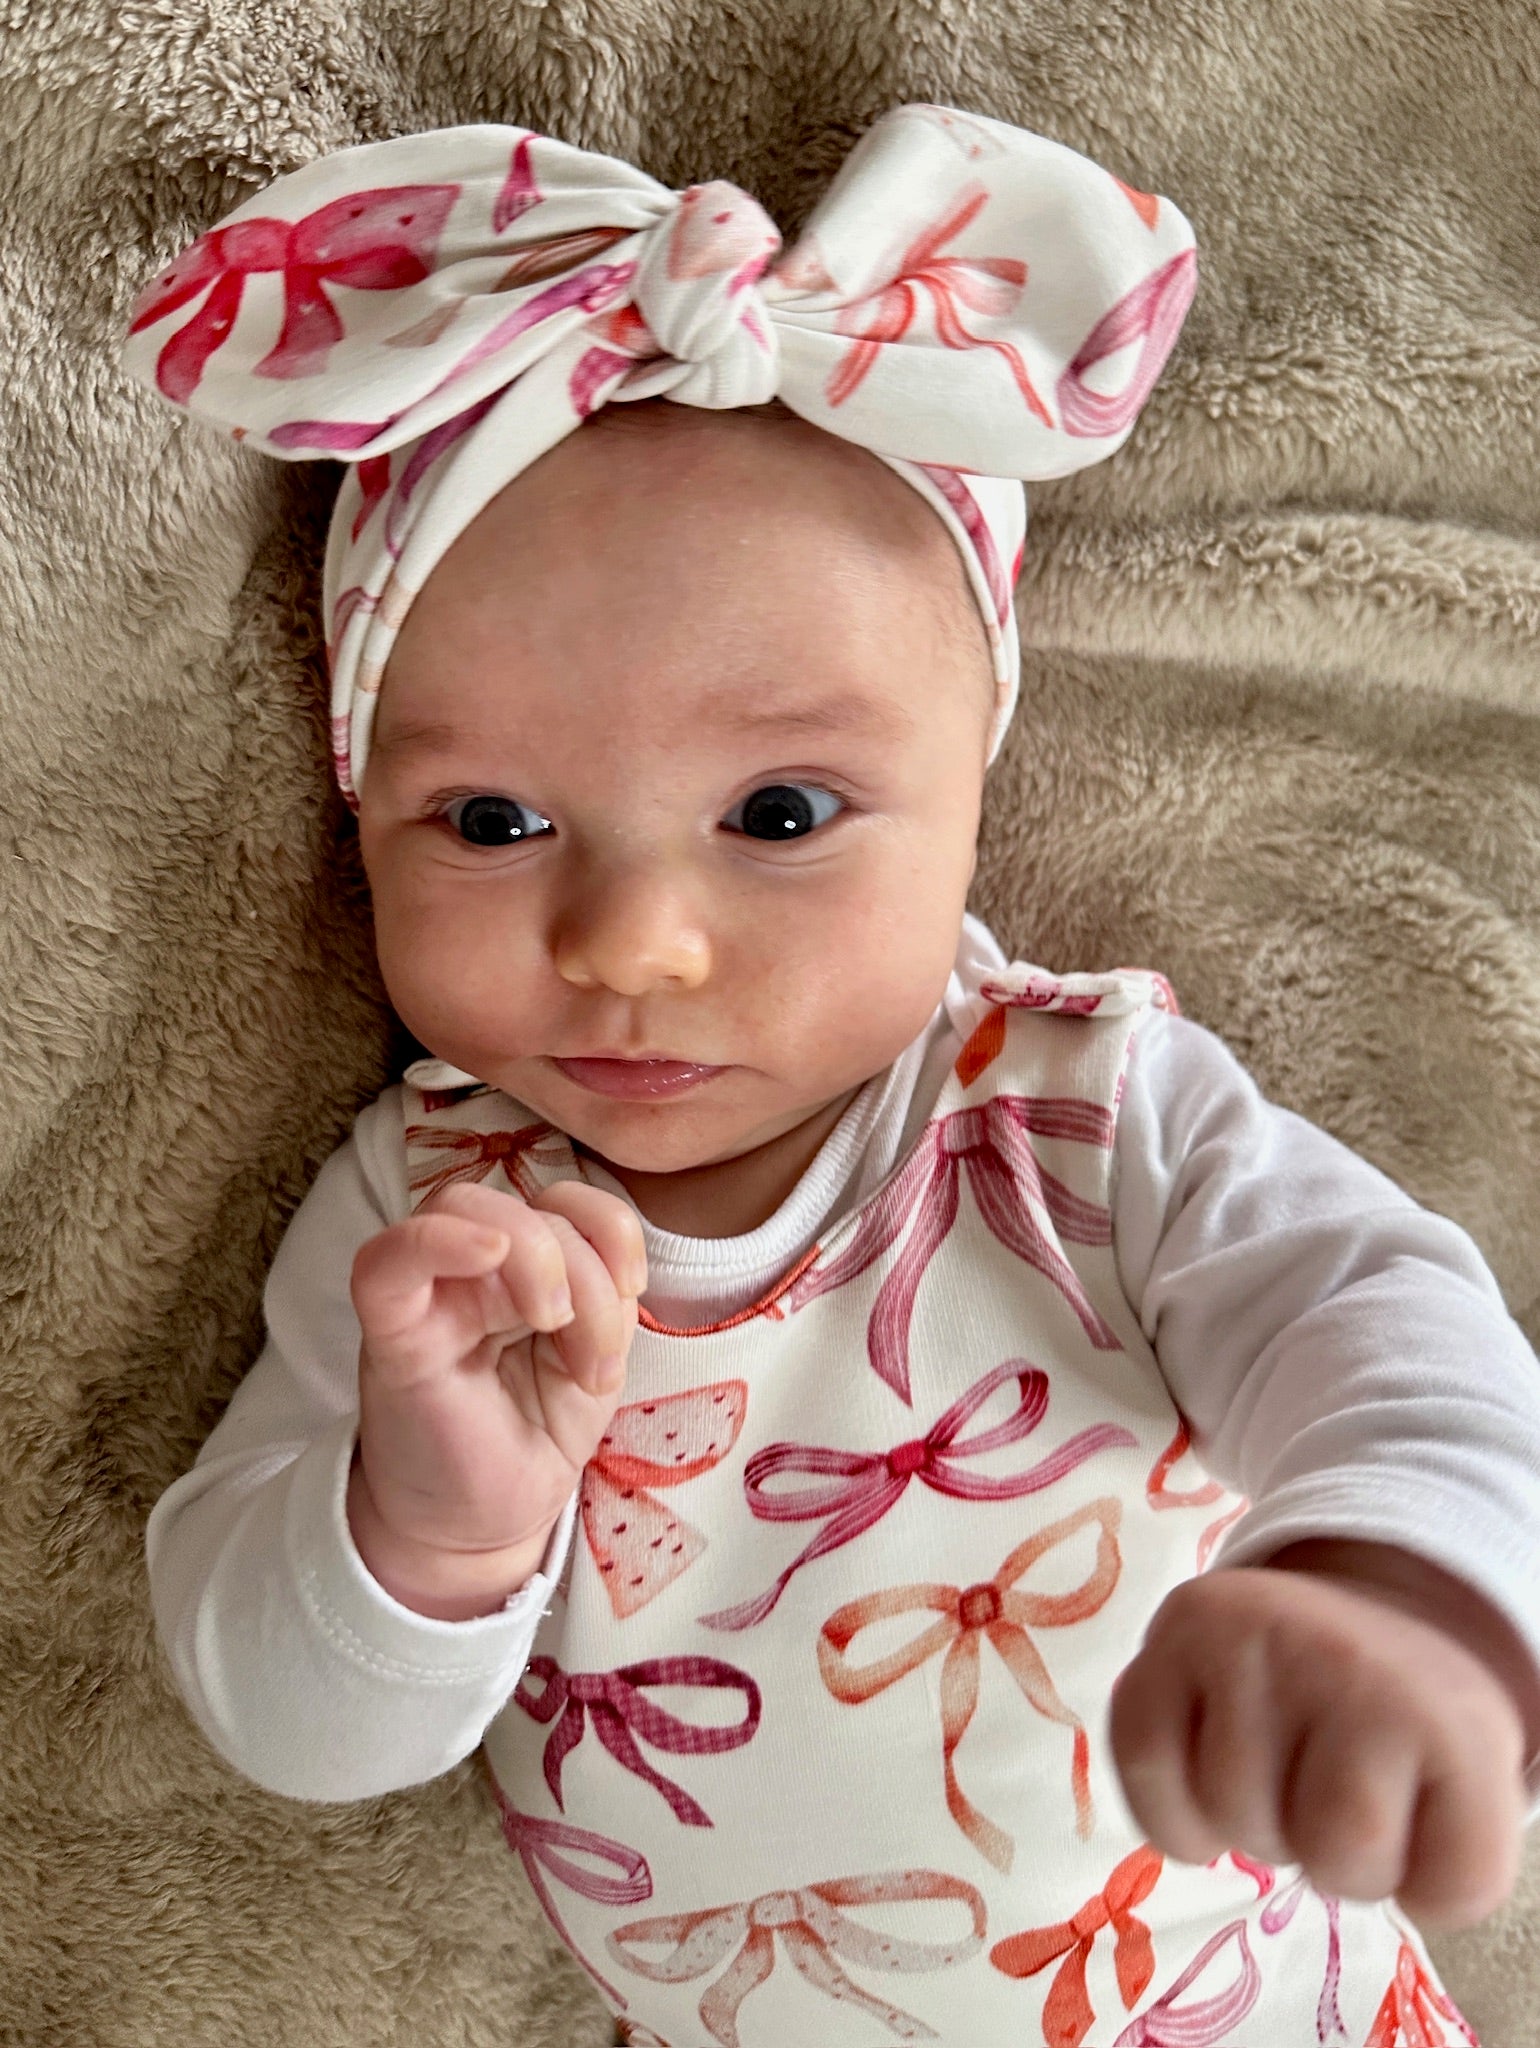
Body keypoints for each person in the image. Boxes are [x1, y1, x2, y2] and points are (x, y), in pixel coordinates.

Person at [121, 102, 1540, 2047]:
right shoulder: (431, 1228)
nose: (633, 940)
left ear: (971, 797)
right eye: (495, 820)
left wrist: (1397, 1579)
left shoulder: (1074, 1120)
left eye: (779, 813)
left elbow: (1389, 1324)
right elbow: (280, 1720)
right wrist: (418, 1536)